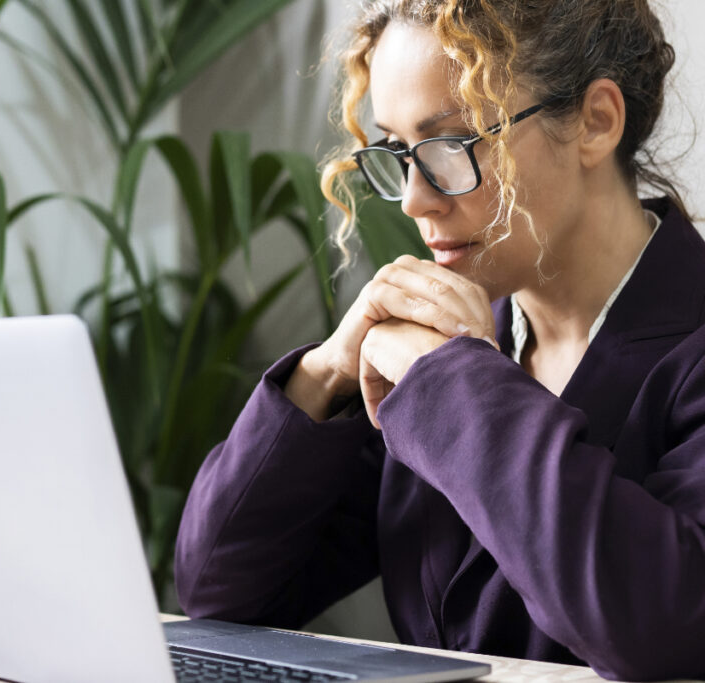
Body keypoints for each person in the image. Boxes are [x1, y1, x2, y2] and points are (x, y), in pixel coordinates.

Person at [173, 1, 705, 680]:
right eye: (396, 152)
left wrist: (465, 388)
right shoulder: (432, 354)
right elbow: (219, 589)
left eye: (452, 145)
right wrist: (326, 370)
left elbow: (662, 628)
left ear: (596, 122)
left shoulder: (457, 371)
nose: (415, 200)